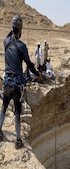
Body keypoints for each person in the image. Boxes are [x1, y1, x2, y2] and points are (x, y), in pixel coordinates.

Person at [2, 15, 41, 149]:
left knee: (4, 107)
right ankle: (18, 140)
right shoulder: (22, 46)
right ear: (20, 30)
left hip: (7, 81)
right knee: (18, 112)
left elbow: (9, 36)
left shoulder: (5, 41)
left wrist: (12, 32)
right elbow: (29, 65)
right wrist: (37, 74)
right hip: (17, 83)